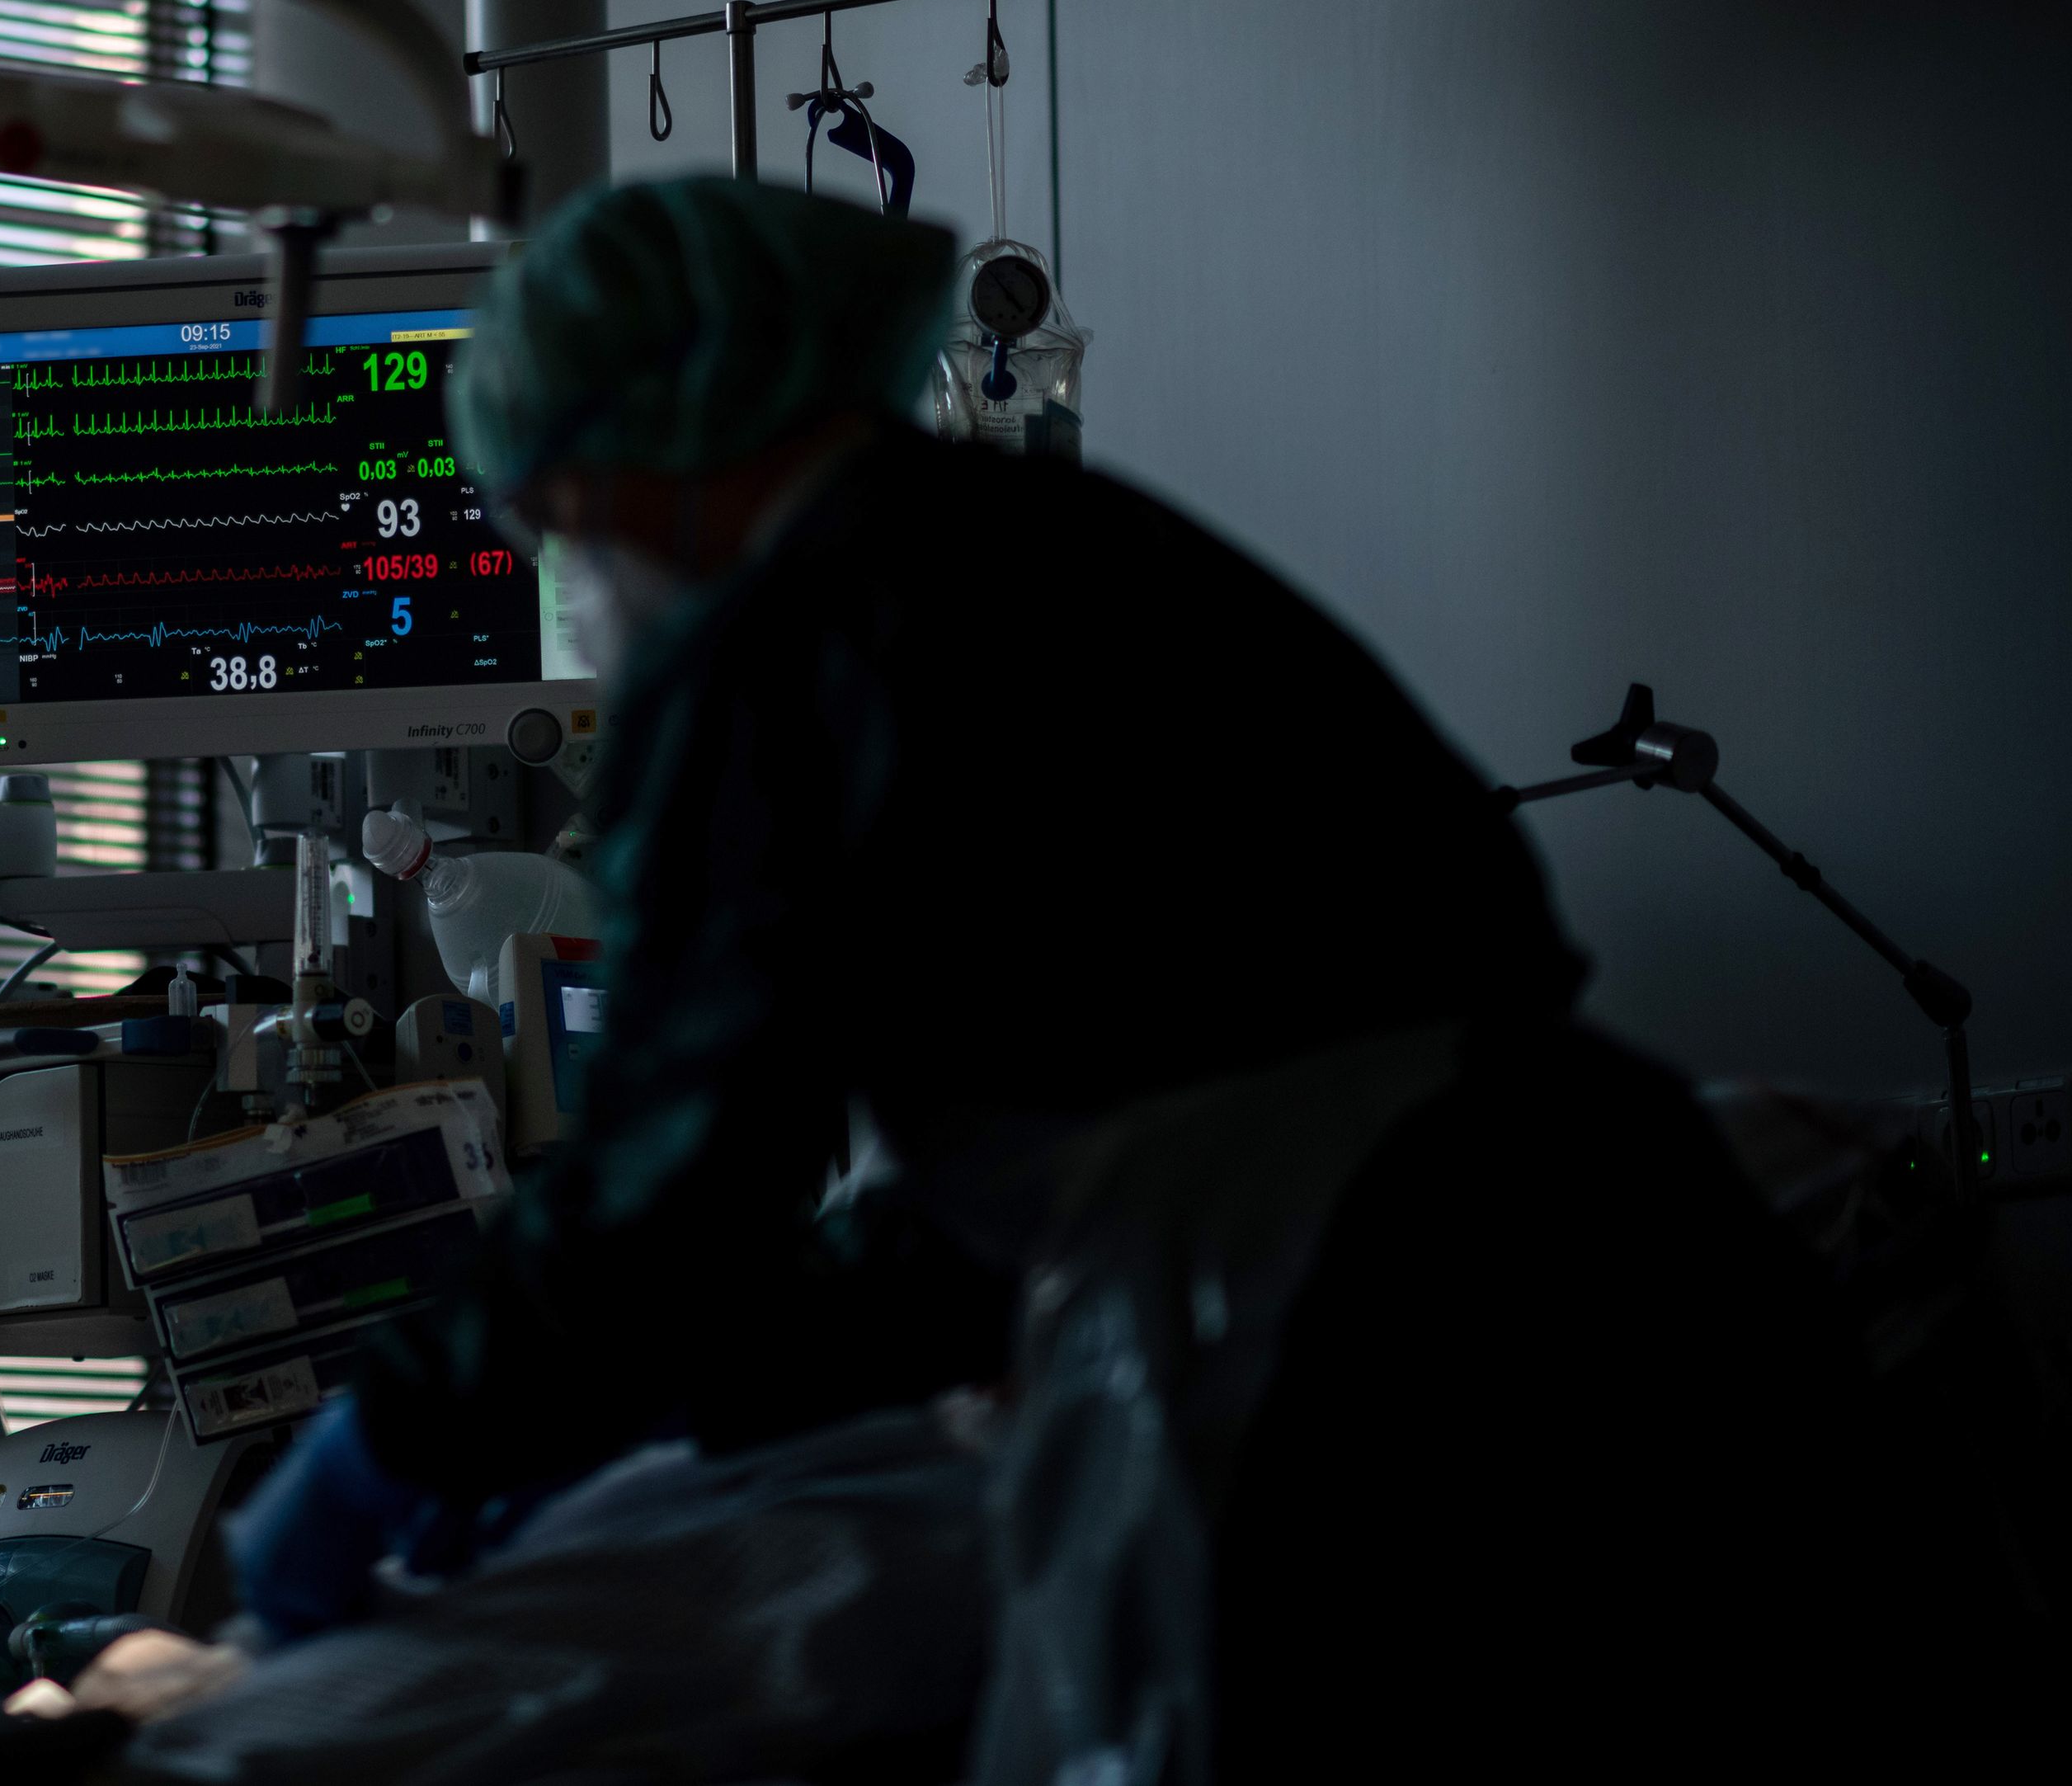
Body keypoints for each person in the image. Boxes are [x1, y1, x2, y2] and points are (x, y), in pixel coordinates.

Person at [213, 178, 2011, 1777]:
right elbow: (1103, 1121)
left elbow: (672, 1183)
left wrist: (394, 1437)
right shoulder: (1074, 548)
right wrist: (695, 1382)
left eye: (547, 517)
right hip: (1622, 1235)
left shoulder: (777, 640)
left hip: (1352, 1373)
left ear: (626, 443)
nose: (570, 572)